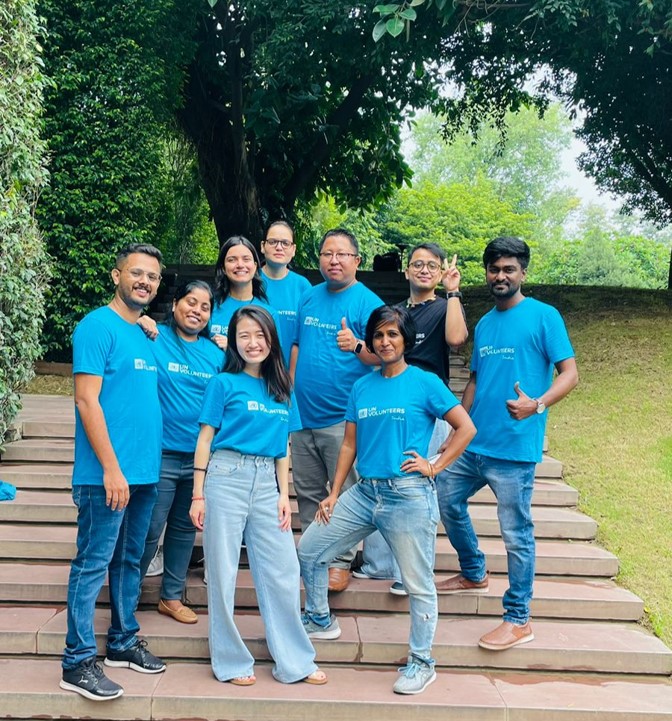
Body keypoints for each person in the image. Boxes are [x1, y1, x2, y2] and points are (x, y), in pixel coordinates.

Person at [297, 305, 476, 695]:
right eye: (378, 335)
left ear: (405, 340)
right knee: (310, 549)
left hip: (408, 495)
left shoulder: (425, 382)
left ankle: (422, 661)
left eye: (393, 334)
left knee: (417, 583)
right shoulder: (363, 385)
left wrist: (435, 465)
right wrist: (333, 492)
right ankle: (319, 619)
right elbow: (348, 443)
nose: (385, 341)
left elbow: (466, 427)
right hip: (363, 493)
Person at [435, 236, 579, 651]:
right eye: (495, 269)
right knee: (446, 499)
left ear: (523, 273)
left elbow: (570, 373)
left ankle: (518, 619)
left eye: (509, 269)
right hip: (476, 443)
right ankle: (473, 570)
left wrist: (537, 405)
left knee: (516, 532)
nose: (501, 276)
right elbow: (476, 381)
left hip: (515, 449)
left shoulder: (544, 316)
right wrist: (455, 432)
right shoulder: (485, 323)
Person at [189, 306, 326, 687]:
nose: (253, 343)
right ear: (234, 341)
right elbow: (205, 438)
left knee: (284, 569)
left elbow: (283, 445)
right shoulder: (223, 383)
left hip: (268, 482)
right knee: (222, 570)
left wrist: (285, 494)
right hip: (225, 476)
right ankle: (231, 661)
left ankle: (294, 662)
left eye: (260, 335)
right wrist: (197, 495)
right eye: (244, 335)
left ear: (271, 341)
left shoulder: (282, 388)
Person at [60, 243, 166, 702]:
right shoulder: (95, 326)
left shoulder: (144, 333)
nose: (145, 281)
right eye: (137, 273)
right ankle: (77, 660)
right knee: (92, 564)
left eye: (153, 277)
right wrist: (110, 469)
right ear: (116, 275)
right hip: (106, 476)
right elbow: (86, 401)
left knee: (129, 563)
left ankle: (122, 642)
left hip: (143, 474)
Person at [357, 241, 469, 591]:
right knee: (379, 481)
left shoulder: (443, 307)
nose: (423, 270)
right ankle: (377, 564)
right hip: (388, 400)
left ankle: (412, 574)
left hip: (426, 405)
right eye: (417, 264)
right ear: (406, 270)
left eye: (431, 265)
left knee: (418, 489)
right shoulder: (395, 311)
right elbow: (379, 356)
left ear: (439, 273)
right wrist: (357, 346)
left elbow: (456, 339)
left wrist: (453, 294)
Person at [291, 228, 383, 592]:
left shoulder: (369, 304)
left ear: (357, 261)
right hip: (302, 415)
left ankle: (341, 560)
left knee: (344, 493)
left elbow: (386, 356)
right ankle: (312, 555)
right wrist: (290, 390)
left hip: (342, 419)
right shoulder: (309, 298)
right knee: (309, 492)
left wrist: (358, 345)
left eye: (342, 254)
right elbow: (297, 345)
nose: (334, 260)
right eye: (327, 253)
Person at [138, 281, 224, 624]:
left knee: (185, 528)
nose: (197, 311)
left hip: (200, 460)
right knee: (148, 528)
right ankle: (125, 593)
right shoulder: (154, 338)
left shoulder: (216, 355)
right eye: (191, 302)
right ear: (175, 304)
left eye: (205, 307)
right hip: (160, 455)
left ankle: (171, 597)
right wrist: (141, 320)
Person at [209, 235, 282, 351]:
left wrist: (232, 347)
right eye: (232, 260)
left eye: (246, 259)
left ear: (255, 266)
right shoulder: (210, 308)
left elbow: (274, 361)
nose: (240, 265)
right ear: (223, 268)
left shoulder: (269, 314)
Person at [260, 220, 312, 366]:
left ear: (293, 249)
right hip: (252, 372)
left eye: (285, 243)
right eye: (273, 242)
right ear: (263, 246)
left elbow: (306, 336)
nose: (279, 247)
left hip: (289, 373)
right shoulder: (251, 282)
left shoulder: (303, 287)